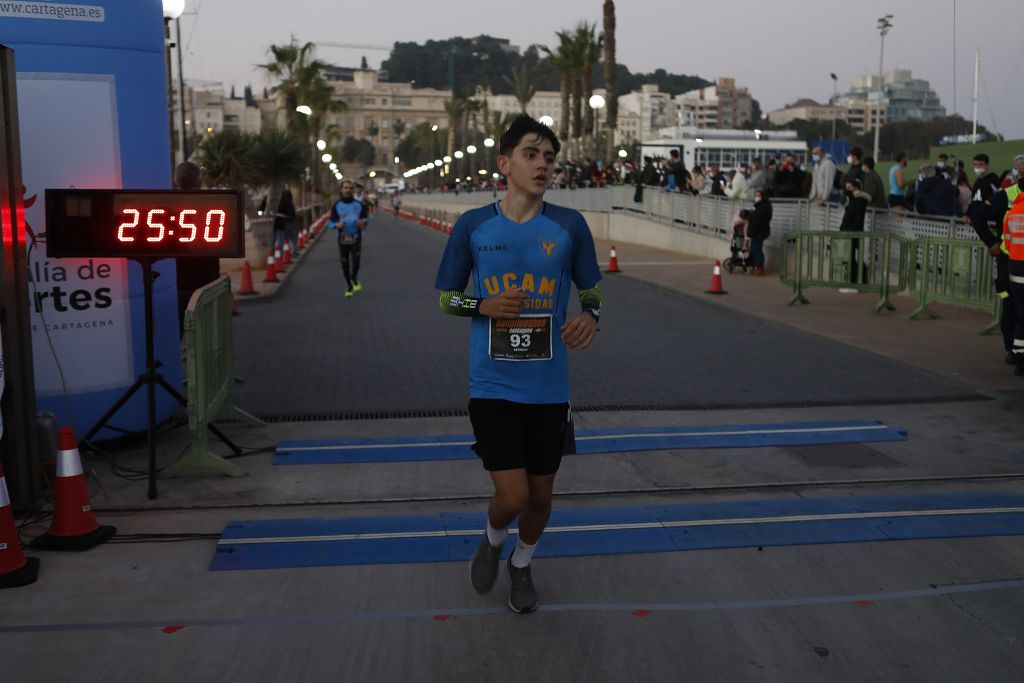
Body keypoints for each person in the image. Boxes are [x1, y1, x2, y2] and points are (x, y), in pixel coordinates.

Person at [434, 114, 602, 613]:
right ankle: (491, 538)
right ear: (504, 163)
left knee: (541, 499)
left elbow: (590, 287)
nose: (543, 164)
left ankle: (522, 564)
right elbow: (446, 298)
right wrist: (479, 305)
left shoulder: (570, 225)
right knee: (511, 497)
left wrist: (590, 315)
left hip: (549, 388)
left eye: (549, 157)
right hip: (492, 382)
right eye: (532, 154)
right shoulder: (473, 226)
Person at [969, 167, 1024, 373]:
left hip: (1015, 261)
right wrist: (991, 242)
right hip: (1008, 260)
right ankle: (1012, 350)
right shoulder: (1007, 195)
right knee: (1011, 305)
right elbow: (977, 215)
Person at [173, 161, 220, 337]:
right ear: (199, 182)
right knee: (205, 338)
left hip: (178, 284)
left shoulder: (166, 205)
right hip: (207, 285)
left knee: (176, 333)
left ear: (174, 181)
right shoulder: (213, 205)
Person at [328, 179, 369, 297]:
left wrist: (363, 221)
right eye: (345, 188)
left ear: (353, 190)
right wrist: (336, 225)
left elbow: (367, 218)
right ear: (341, 189)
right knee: (344, 263)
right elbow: (330, 223)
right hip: (342, 238)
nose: (348, 190)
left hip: (356, 237)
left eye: (350, 188)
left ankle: (354, 278)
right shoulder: (337, 205)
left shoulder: (359, 204)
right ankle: (349, 286)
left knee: (356, 261)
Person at [838, 178, 872, 291]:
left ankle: (854, 282)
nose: (847, 190)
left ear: (855, 187)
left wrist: (849, 231)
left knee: (850, 257)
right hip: (848, 232)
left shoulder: (859, 200)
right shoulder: (853, 199)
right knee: (847, 257)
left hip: (852, 233)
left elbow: (857, 218)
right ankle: (856, 279)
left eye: (849, 188)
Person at [746, 190, 772, 276]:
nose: (756, 197)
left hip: (759, 231)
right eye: (755, 195)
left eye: (758, 196)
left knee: (756, 249)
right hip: (760, 231)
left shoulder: (762, 208)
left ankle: (759, 268)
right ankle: (758, 267)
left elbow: (757, 222)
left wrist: (750, 232)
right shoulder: (763, 206)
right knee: (756, 248)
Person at [272, 189, 297, 257]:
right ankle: (293, 252)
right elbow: (292, 214)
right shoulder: (288, 203)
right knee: (292, 238)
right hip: (287, 223)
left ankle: (278, 256)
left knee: (278, 240)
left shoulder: (276, 203)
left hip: (278, 225)